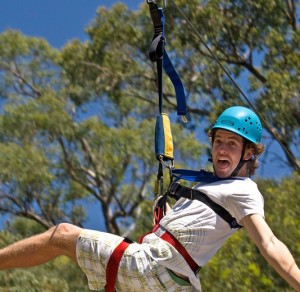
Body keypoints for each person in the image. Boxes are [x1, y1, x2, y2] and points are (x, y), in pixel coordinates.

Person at [0, 106, 299, 291]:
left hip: (155, 270)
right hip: (170, 281)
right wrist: (165, 216)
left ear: (249, 153)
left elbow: (268, 243)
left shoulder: (243, 189)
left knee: (61, 235)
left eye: (232, 143)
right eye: (218, 140)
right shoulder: (208, 189)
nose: (221, 149)